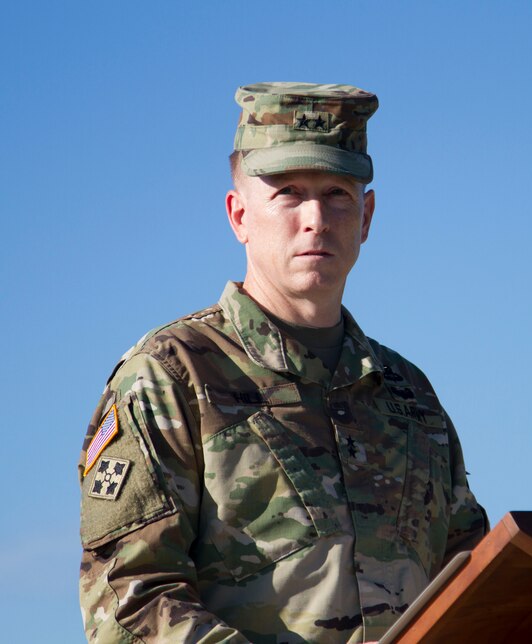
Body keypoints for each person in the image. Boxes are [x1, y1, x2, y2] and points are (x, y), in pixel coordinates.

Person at [77, 82, 488, 643]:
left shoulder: (408, 395)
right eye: (290, 192)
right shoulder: (170, 376)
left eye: (337, 193)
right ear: (239, 215)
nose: (316, 218)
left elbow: (471, 580)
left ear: (366, 217)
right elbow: (129, 600)